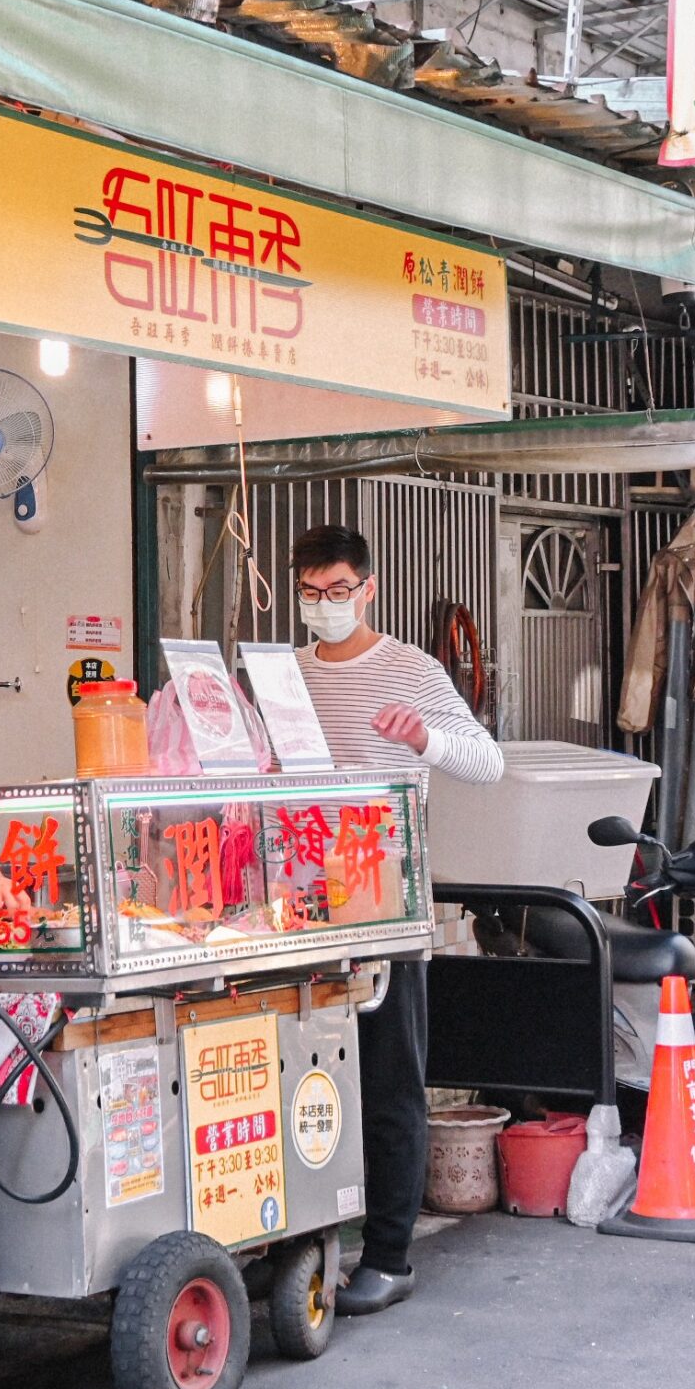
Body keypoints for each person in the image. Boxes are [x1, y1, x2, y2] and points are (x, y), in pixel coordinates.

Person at [289, 524, 504, 1315]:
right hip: (300, 910)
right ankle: (306, 1238)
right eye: (311, 594)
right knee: (307, 1078)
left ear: (369, 587)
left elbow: (489, 760)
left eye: (339, 591)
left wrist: (427, 736)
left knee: (388, 1080)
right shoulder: (289, 675)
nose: (325, 607)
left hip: (385, 905)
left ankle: (389, 1254)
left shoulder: (411, 668)